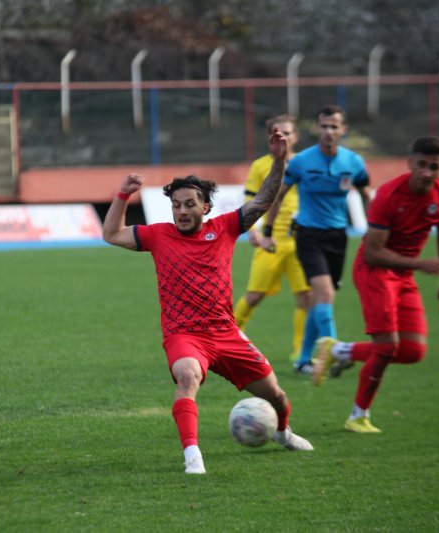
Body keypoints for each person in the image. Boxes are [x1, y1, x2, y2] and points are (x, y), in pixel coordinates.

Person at [103, 128, 313, 475]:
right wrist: (123, 195)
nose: (181, 211)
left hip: (226, 334)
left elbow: (264, 199)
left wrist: (278, 162)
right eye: (175, 205)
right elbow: (111, 234)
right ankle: (192, 456)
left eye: (188, 204)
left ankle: (282, 432)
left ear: (206, 206)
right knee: (187, 376)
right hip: (184, 335)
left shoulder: (227, 227)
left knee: (275, 396)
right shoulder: (158, 235)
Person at [313, 136, 439, 433]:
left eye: (435, 167)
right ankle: (357, 416)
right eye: (422, 165)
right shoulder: (389, 196)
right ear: (410, 163)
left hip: (403, 275)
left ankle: (337, 351)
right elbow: (375, 253)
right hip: (373, 271)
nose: (427, 172)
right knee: (387, 346)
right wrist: (420, 264)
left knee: (413, 351)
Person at [261, 105, 370, 375]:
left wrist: (374, 228)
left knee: (320, 301)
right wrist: (269, 228)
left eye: (334, 126)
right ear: (317, 129)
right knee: (324, 294)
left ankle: (303, 359)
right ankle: (335, 351)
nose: (328, 131)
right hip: (308, 235)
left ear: (343, 130)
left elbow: (367, 194)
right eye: (323, 126)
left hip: (338, 236)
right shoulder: (301, 162)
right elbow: (280, 194)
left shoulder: (353, 162)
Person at [233, 115, 310, 361]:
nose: (284, 137)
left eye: (288, 132)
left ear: (296, 136)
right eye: (279, 133)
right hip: (271, 241)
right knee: (254, 295)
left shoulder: (306, 163)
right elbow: (250, 201)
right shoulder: (260, 166)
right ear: (271, 138)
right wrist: (255, 233)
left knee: (305, 297)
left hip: (301, 241)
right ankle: (229, 339)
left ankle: (300, 351)